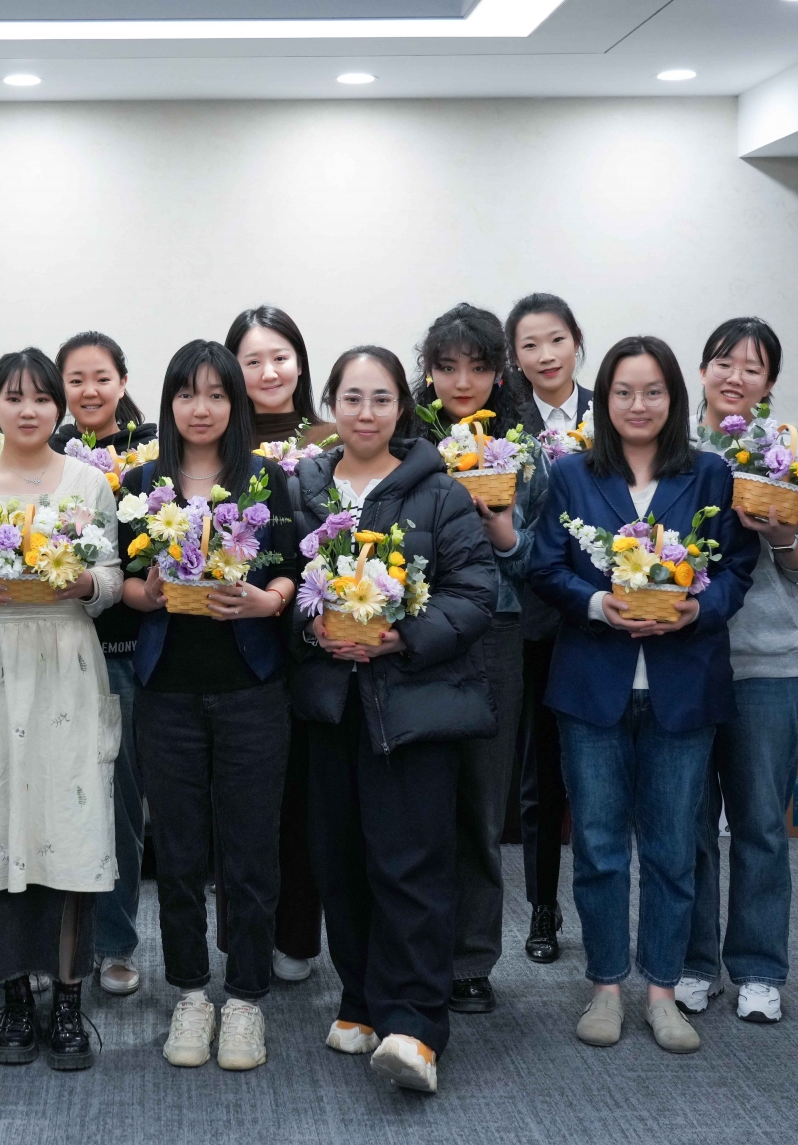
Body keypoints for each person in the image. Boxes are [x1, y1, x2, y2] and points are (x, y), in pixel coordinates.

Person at [530, 336, 757, 1054]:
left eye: (653, 391)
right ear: (605, 400)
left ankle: (662, 990)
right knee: (598, 846)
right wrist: (598, 604)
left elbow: (738, 567)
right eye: (623, 392)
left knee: (671, 847)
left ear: (674, 398)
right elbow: (545, 566)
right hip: (591, 686)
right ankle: (605, 986)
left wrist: (699, 609)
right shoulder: (571, 474)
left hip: (682, 686)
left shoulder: (711, 473)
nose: (638, 405)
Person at [289, 345, 497, 1094]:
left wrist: (402, 635)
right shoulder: (304, 490)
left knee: (411, 864)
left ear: (401, 408)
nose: (365, 412)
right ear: (331, 406)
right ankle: (361, 999)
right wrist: (312, 628)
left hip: (413, 707)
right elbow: (280, 585)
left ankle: (416, 1024)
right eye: (351, 398)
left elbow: (476, 593)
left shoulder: (440, 493)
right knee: (340, 861)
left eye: (380, 398)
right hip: (330, 707)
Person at [0, 348, 123, 1071]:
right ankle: (14, 998)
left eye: (42, 397)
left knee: (71, 826)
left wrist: (85, 584)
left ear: (58, 408)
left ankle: (69, 999)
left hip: (67, 661)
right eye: (14, 397)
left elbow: (112, 577)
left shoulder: (89, 482)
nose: (29, 409)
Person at [122, 341, 298, 1071]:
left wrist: (265, 601)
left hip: (251, 690)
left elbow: (292, 573)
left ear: (235, 404)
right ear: (169, 403)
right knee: (180, 852)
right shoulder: (142, 482)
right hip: (166, 693)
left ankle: (247, 997)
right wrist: (149, 593)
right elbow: (124, 586)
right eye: (187, 394)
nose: (201, 408)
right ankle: (191, 993)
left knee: (251, 850)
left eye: (216, 394)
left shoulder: (264, 479)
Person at [677, 318, 798, 1025]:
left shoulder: (790, 458)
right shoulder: (670, 450)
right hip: (682, 659)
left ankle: (758, 968)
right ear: (702, 370)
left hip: (768, 660)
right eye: (724, 361)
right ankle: (692, 962)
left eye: (753, 366)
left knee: (761, 824)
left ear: (770, 382)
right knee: (685, 822)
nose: (735, 376)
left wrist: (783, 537)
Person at [413, 305, 544, 1014]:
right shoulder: (407, 443)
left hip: (496, 631)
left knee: (480, 804)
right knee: (412, 805)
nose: (462, 381)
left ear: (501, 373)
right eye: (447, 366)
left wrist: (504, 534)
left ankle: (470, 959)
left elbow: (541, 559)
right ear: (428, 371)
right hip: (416, 634)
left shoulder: (526, 450)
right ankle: (411, 950)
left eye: (479, 366)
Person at [225, 304, 331, 983]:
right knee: (243, 803)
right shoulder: (217, 445)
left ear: (300, 362)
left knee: (305, 799)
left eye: (280, 357)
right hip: (239, 640)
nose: (269, 372)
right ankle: (244, 938)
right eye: (252, 361)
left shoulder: (331, 436)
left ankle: (297, 935)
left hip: (319, 639)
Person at [50, 330, 157, 997]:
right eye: (76, 380)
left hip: (125, 653)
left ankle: (115, 944)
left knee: (119, 806)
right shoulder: (47, 454)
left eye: (101, 377)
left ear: (122, 381)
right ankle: (53, 945)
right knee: (52, 800)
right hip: (55, 650)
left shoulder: (152, 456)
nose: (89, 391)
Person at [505, 292, 592, 964]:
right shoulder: (503, 424)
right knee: (540, 776)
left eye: (556, 340)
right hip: (534, 618)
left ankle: (601, 910)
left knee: (596, 775)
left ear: (577, 343)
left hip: (603, 618)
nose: (545, 355)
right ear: (515, 357)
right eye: (529, 345)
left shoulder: (609, 412)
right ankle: (542, 908)